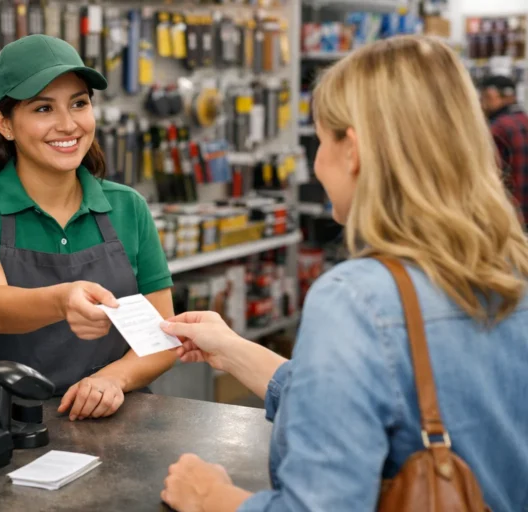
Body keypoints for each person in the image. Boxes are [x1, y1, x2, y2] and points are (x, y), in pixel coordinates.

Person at [159, 35, 528, 512]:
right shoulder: (512, 268)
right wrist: (232, 350)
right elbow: (386, 397)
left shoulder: (356, 299)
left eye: (319, 141)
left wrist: (213, 497)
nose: (316, 163)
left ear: (351, 149)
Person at [0, 35, 176, 421]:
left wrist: (113, 379)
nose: (68, 125)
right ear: (4, 124)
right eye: (43, 108)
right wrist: (63, 300)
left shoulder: (128, 207)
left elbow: (163, 336)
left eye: (79, 104)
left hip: (107, 422)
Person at [480, 75, 528, 225]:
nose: (482, 103)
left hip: (509, 214)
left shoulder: (497, 127)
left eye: (485, 97)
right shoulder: (524, 120)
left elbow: (488, 175)